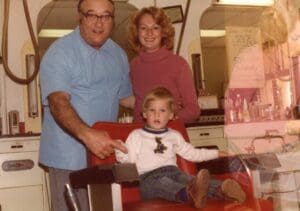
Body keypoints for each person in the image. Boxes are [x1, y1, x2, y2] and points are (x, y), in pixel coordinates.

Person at [38, 0, 134, 210]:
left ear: (113, 20)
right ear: (79, 17)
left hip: (104, 155)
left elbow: (126, 98)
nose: (99, 23)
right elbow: (57, 102)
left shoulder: (118, 54)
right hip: (68, 157)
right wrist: (88, 135)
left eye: (106, 16)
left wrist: (159, 106)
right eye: (92, 15)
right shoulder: (60, 52)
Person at [115, 87, 246, 209]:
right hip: (148, 179)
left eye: (162, 110)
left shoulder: (174, 135)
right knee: (164, 183)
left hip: (174, 172)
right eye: (152, 110)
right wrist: (120, 150)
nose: (156, 115)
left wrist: (216, 153)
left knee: (191, 180)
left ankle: (222, 189)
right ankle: (188, 194)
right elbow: (128, 160)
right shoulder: (136, 136)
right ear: (144, 114)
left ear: (171, 115)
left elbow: (193, 153)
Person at [128, 6, 200, 123]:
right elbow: (138, 106)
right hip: (142, 136)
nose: (149, 33)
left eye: (155, 27)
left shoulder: (179, 64)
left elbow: (193, 110)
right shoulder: (134, 65)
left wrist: (166, 121)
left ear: (163, 32)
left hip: (171, 135)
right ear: (137, 32)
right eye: (143, 28)